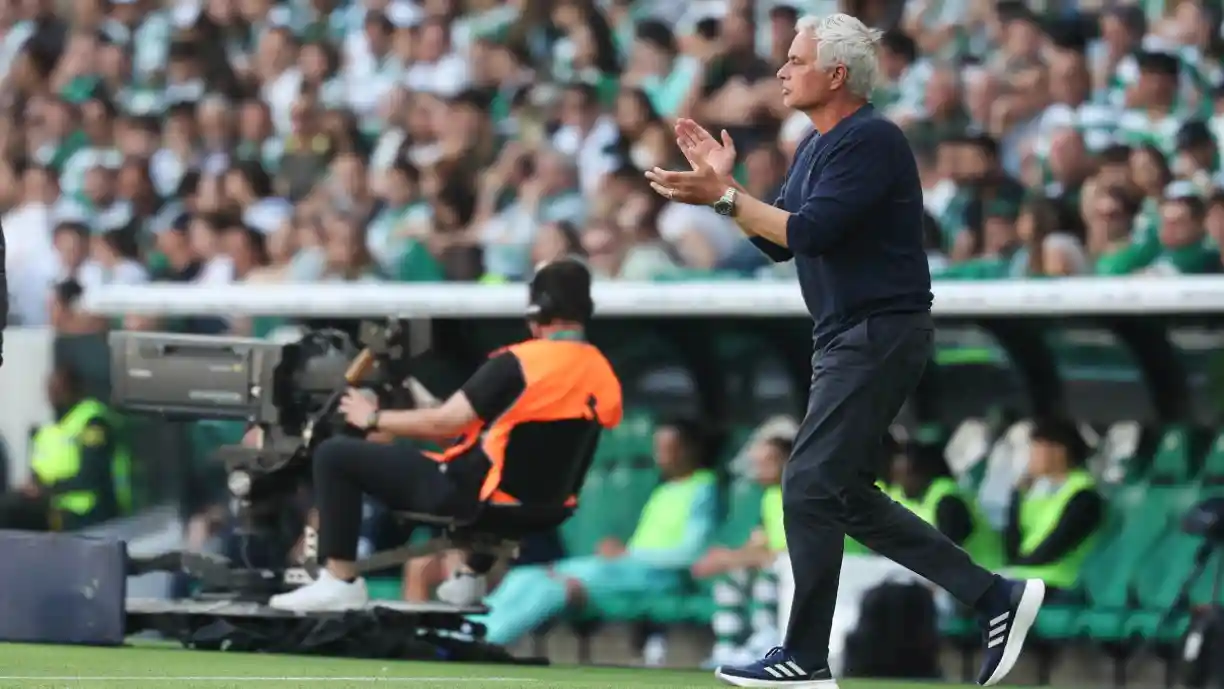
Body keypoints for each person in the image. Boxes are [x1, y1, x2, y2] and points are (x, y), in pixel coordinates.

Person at [645, 14, 1044, 688]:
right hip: (846, 336)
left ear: (836, 74)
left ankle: (805, 654)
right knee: (845, 495)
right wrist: (726, 195)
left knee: (805, 482)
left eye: (795, 60)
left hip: (877, 331)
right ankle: (993, 595)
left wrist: (726, 196)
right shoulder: (815, 144)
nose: (781, 70)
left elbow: (810, 231)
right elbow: (777, 238)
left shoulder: (872, 138)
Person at [268, 257, 624, 612]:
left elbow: (446, 423)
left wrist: (373, 417)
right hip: (545, 509)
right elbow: (514, 439)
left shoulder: (519, 363)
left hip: (469, 497)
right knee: (502, 483)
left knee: (335, 455)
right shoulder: (602, 372)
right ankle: (469, 578)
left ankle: (339, 581)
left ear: (537, 312)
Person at [468, 418, 718, 645]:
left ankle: (486, 642)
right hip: (628, 569)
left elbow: (691, 552)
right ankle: (464, 633)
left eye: (668, 448)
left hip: (658, 578)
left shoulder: (705, 488)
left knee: (553, 587)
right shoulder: (663, 490)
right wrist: (625, 553)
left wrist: (630, 554)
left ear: (689, 449)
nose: (660, 455)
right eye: (659, 447)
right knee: (525, 576)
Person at [692, 434, 793, 668]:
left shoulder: (802, 495)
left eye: (768, 461)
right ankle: (728, 646)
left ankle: (769, 640)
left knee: (767, 572)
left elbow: (789, 550)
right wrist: (728, 558)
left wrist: (731, 558)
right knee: (733, 574)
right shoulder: (769, 497)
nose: (759, 468)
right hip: (780, 564)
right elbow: (758, 544)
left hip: (806, 569)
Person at [0, 362, 131, 531]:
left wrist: (46, 490)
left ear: (73, 389)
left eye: (58, 387)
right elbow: (38, 474)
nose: (52, 394)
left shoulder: (93, 422)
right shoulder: (48, 430)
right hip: (52, 508)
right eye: (49, 388)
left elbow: (91, 476)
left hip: (89, 512)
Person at [1004, 417, 1104, 598]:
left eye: (1036, 450)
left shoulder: (1083, 495)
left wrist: (1019, 565)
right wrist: (1016, 497)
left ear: (1058, 452)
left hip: (1060, 582)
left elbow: (1056, 546)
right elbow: (1011, 545)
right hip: (1026, 577)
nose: (1030, 457)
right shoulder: (1037, 493)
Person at [888, 442, 1003, 572]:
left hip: (986, 573)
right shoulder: (916, 499)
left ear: (922, 472)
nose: (900, 484)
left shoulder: (948, 501)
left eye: (905, 475)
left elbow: (946, 554)